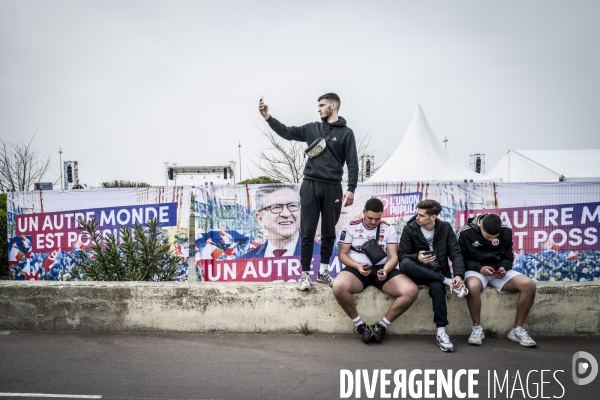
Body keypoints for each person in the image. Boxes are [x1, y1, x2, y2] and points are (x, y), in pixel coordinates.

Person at [258, 93, 358, 290]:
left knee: (329, 232)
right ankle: (305, 275)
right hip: (310, 185)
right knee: (307, 231)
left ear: (334, 105)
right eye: (318, 106)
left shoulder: (347, 133)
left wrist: (351, 188)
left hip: (333, 188)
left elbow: (352, 163)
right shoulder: (311, 128)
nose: (319, 108)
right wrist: (268, 117)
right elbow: (286, 132)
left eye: (322, 105)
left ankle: (323, 272)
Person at [333, 198, 418, 343]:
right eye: (370, 218)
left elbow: (393, 256)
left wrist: (385, 270)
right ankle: (360, 326)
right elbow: (342, 254)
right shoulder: (351, 227)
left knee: (411, 291)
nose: (373, 222)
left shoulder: (388, 228)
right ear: (363, 212)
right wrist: (357, 266)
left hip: (382, 268)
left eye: (377, 219)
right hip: (357, 267)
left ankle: (382, 326)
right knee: (338, 287)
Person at [457, 213, 537, 347]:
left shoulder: (505, 230)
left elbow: (508, 256)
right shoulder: (464, 232)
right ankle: (477, 328)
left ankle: (517, 329)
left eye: (494, 237)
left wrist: (503, 267)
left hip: (498, 272)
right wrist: (479, 268)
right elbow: (459, 259)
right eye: (488, 236)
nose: (491, 240)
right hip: (476, 270)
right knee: (472, 286)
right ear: (480, 225)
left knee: (528, 285)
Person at [398, 199, 468, 352]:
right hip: (417, 272)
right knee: (406, 264)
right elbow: (402, 256)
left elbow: (456, 254)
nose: (418, 218)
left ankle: (441, 332)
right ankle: (447, 281)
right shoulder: (410, 229)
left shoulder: (445, 228)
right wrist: (417, 257)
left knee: (437, 287)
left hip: (437, 273)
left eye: (422, 215)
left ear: (433, 217)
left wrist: (458, 276)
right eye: (418, 214)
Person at [242, 184, 302, 258]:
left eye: (292, 205)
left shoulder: (319, 254)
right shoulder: (243, 262)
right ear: (260, 219)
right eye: (276, 207)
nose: (286, 214)